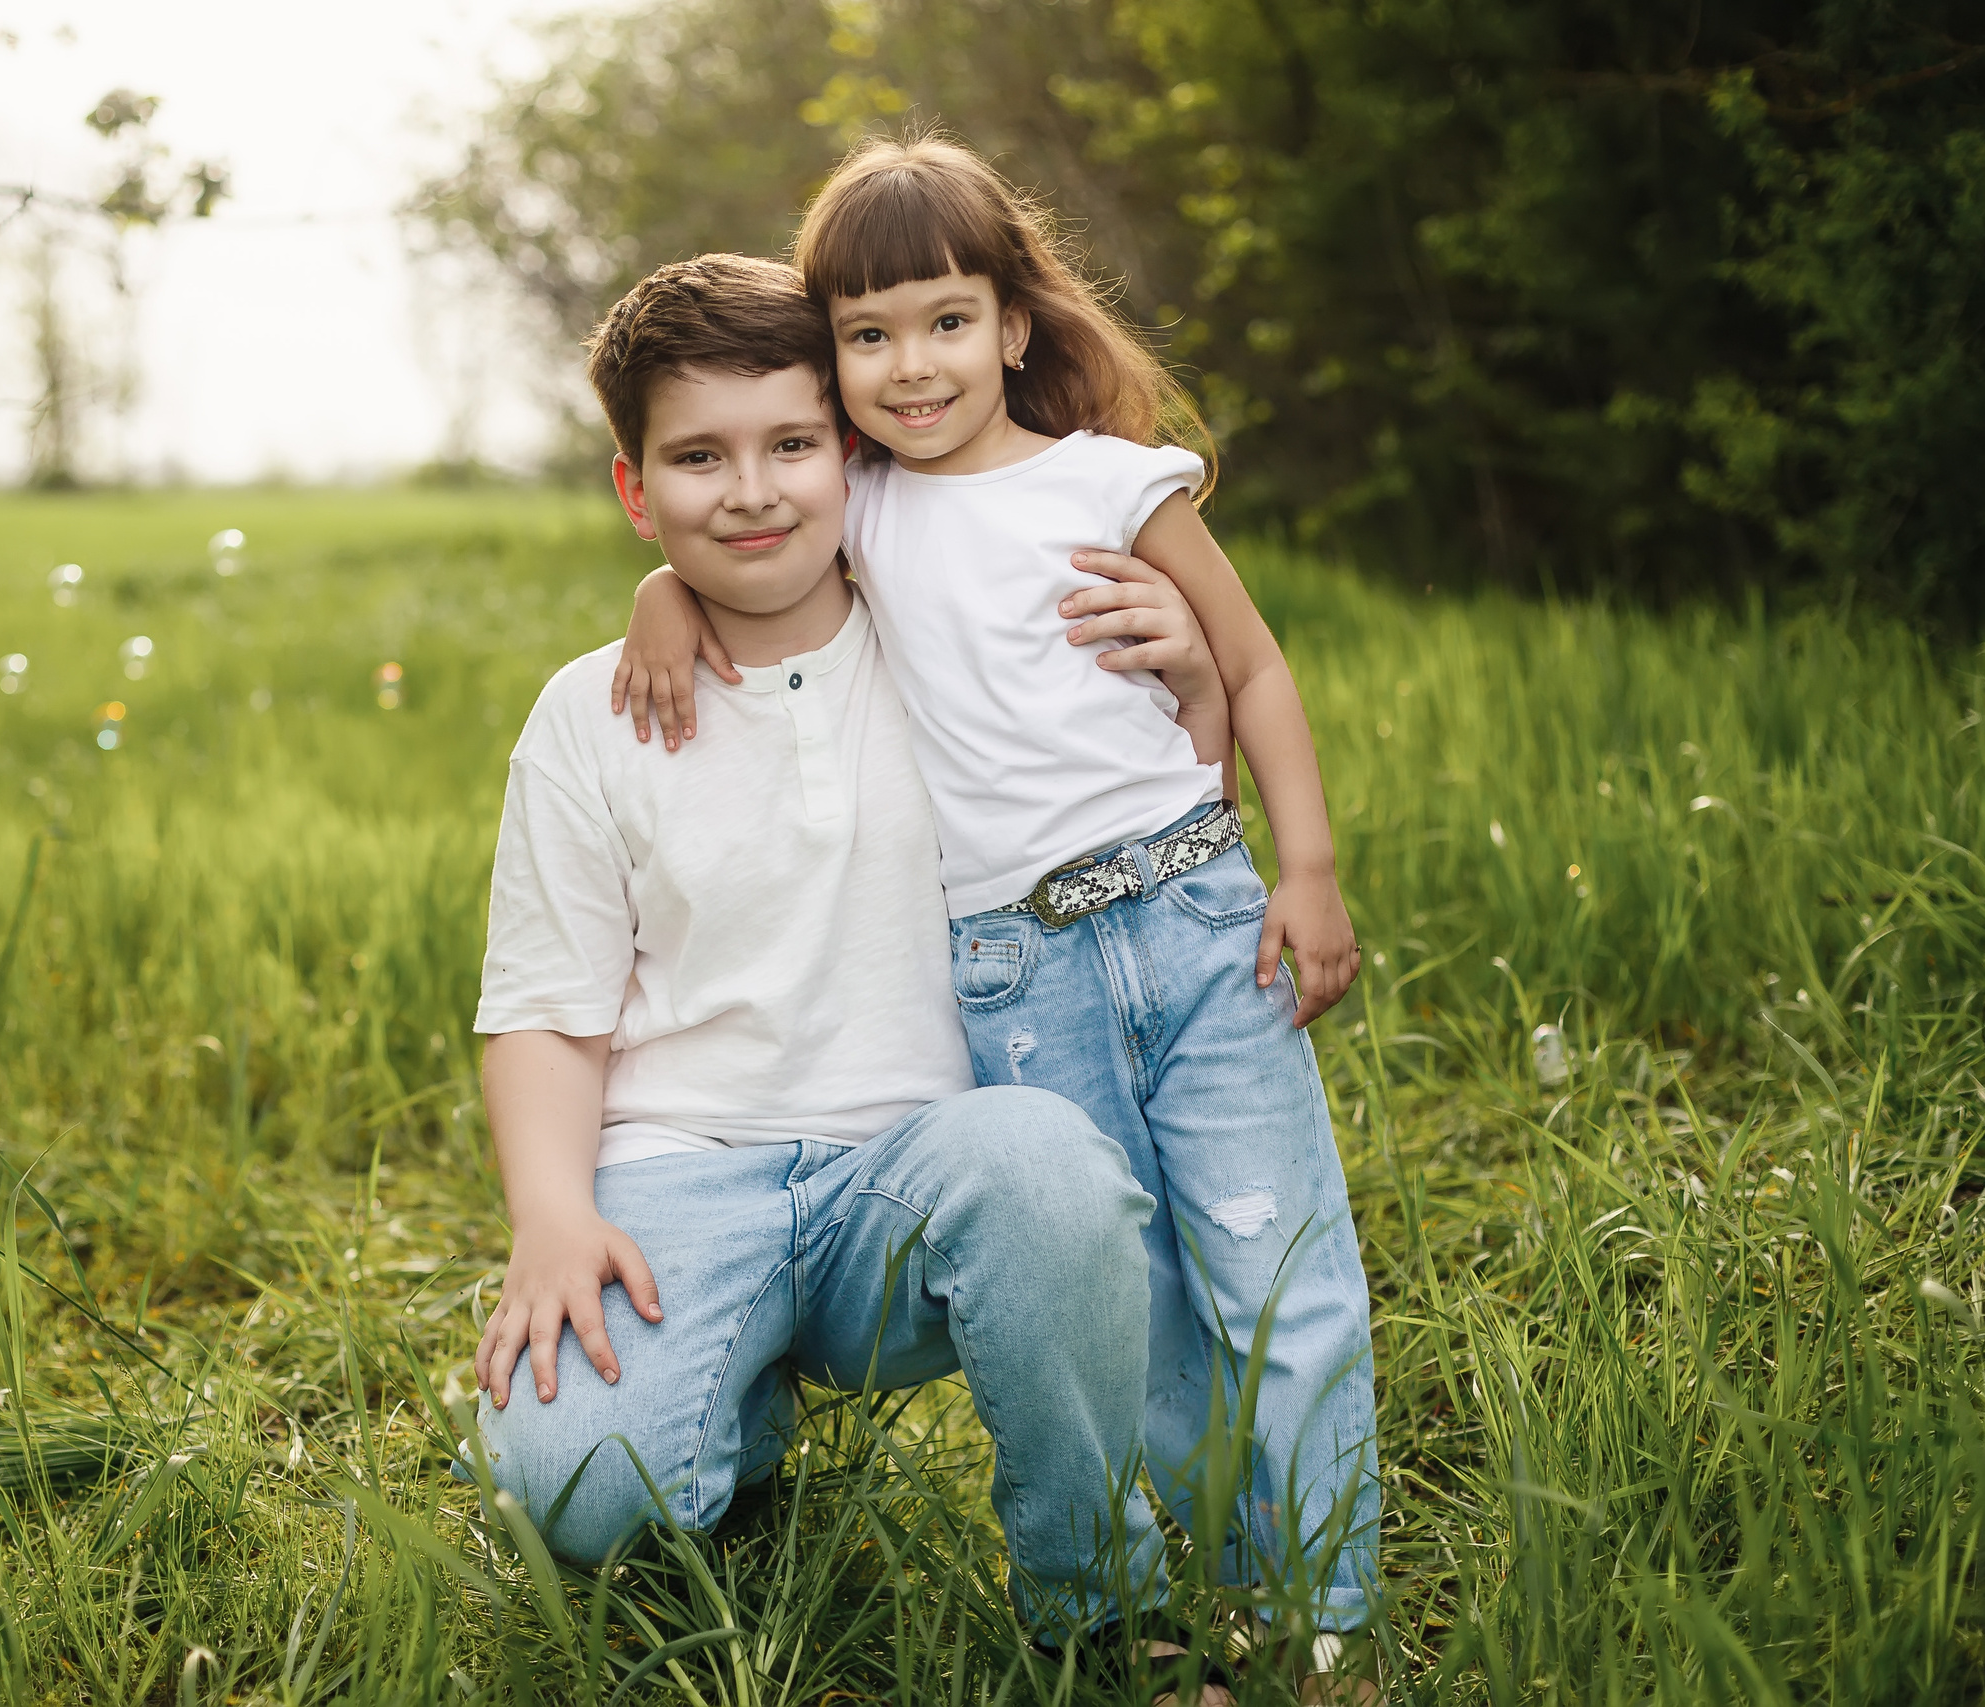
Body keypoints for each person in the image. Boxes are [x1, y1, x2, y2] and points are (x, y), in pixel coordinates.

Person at [613, 138, 1388, 1699]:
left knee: (1276, 1264)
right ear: (832, 365)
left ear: (1016, 323)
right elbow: (741, 551)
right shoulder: (864, 508)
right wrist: (657, 597)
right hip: (1014, 968)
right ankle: (1197, 1585)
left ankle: (1323, 1615)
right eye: (871, 335)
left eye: (948, 321)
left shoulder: (1111, 484)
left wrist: (1305, 869)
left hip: (1189, 918)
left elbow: (1253, 666)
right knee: (1145, 1291)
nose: (914, 366)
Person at [470, 251, 1243, 1681]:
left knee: (1046, 1162)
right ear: (638, 491)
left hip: (913, 1171)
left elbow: (1152, 811)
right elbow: (544, 1008)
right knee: (573, 1485)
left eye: (791, 446)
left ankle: (1098, 1596)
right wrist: (551, 1216)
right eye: (698, 459)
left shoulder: (957, 642)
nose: (751, 491)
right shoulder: (590, 715)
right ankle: (733, 1435)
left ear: (857, 455)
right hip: (677, 1177)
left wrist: (1194, 668)